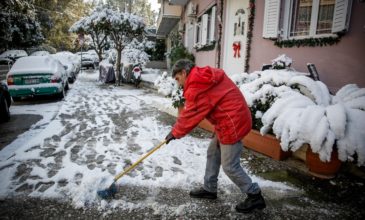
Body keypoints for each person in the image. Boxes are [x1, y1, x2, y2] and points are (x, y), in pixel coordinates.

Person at [165, 59, 266, 213]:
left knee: (230, 166)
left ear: (184, 73)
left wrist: (175, 132)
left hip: (232, 122)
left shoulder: (197, 85)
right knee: (213, 153)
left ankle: (254, 195)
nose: (179, 84)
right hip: (230, 118)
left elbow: (191, 114)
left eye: (178, 79)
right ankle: (209, 189)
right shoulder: (201, 77)